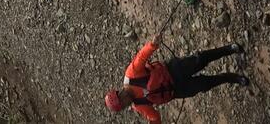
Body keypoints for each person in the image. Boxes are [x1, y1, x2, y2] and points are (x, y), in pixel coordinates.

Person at [104, 38, 247, 121]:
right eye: (123, 105)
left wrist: (152, 44)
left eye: (122, 99)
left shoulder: (131, 74)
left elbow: (141, 56)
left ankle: (229, 49)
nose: (125, 102)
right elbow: (154, 117)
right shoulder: (139, 106)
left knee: (200, 60)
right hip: (177, 91)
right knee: (205, 84)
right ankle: (231, 78)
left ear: (119, 92)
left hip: (173, 70)